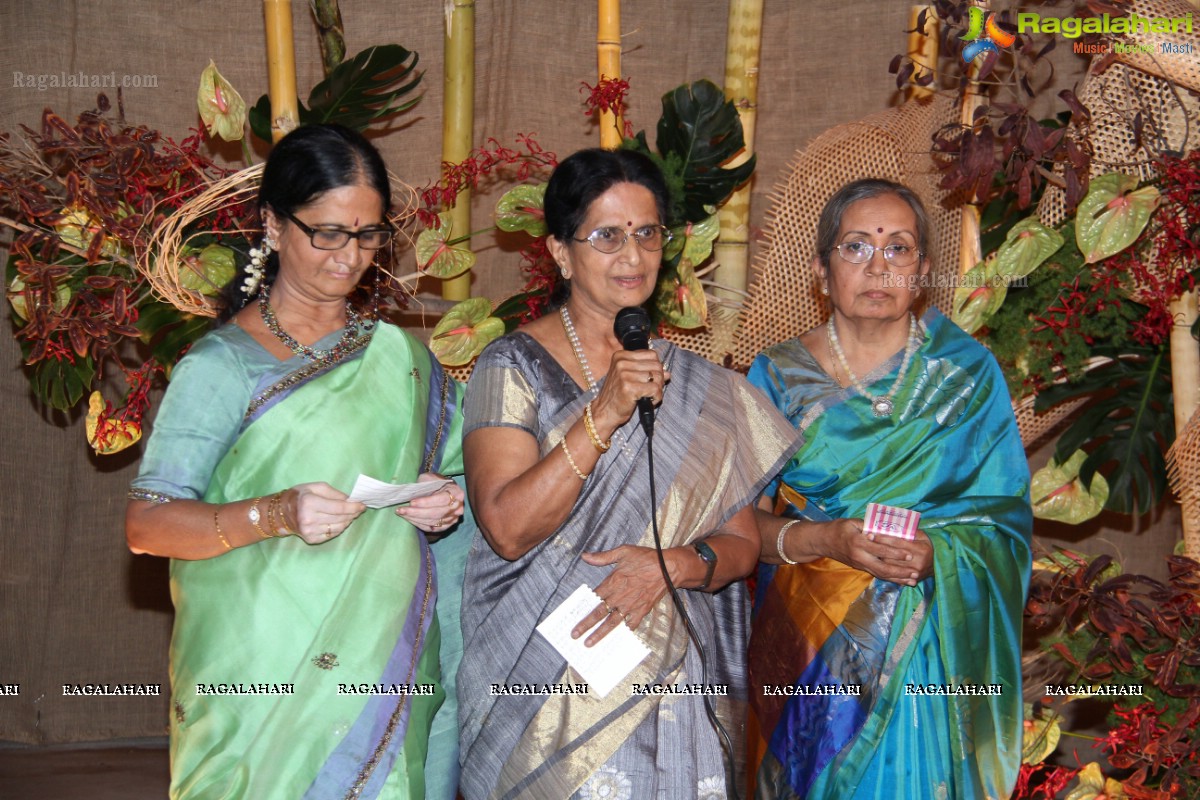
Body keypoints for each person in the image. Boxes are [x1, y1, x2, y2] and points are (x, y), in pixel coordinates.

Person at [125, 123, 468, 799]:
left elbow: (462, 471)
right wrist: (274, 512)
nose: (351, 256)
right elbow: (148, 525)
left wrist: (442, 498)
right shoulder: (223, 365)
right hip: (257, 671)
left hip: (379, 661)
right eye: (329, 232)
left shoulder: (401, 361)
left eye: (368, 234)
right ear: (274, 227)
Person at [456, 148, 801, 799]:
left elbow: (741, 544)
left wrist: (669, 566)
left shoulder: (702, 388)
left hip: (672, 688)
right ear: (561, 252)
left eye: (647, 234)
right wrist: (605, 412)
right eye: (607, 236)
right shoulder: (508, 368)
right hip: (536, 690)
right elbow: (506, 528)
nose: (633, 255)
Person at [745, 178, 1032, 799]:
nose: (879, 266)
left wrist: (941, 554)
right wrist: (825, 538)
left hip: (927, 641)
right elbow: (737, 531)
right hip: (810, 644)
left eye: (898, 249)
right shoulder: (777, 377)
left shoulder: (966, 375)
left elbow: (1003, 522)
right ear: (822, 271)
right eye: (856, 248)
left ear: (923, 271)